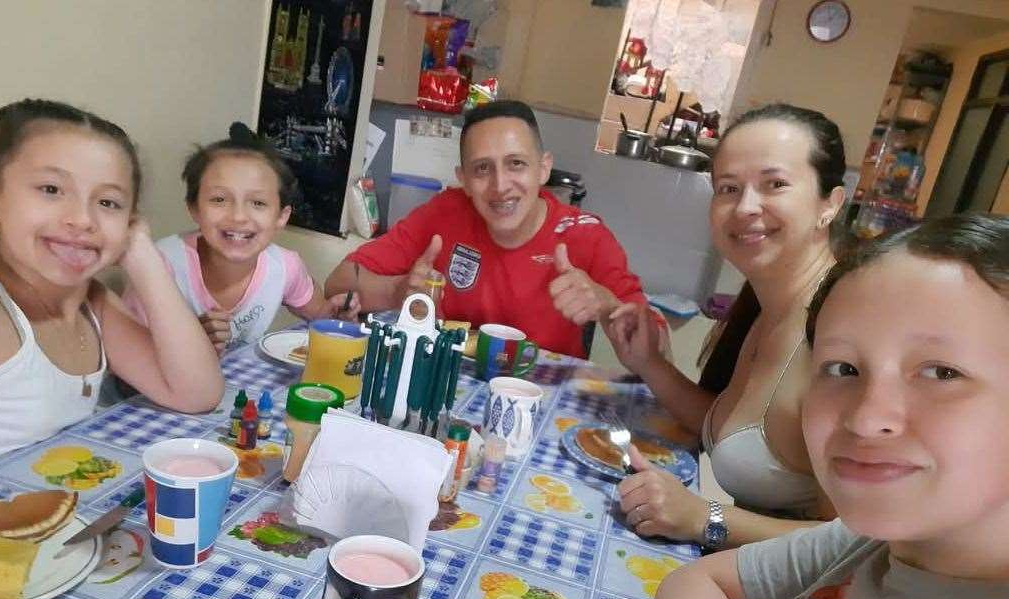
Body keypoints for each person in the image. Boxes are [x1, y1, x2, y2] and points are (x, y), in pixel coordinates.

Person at [648, 212, 1009, 599]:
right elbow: (698, 588)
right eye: (842, 368)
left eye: (941, 372)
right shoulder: (879, 545)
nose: (866, 418)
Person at [608, 104, 847, 548]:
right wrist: (648, 363)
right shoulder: (767, 301)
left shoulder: (842, 337)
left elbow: (857, 543)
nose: (745, 208)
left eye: (774, 184)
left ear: (829, 204)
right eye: (728, 188)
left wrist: (706, 518)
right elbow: (728, 426)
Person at [0, 99, 224, 478]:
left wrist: (143, 259)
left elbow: (197, 394)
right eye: (51, 189)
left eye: (108, 202)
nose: (82, 219)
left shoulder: (91, 305)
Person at [324, 100, 667, 359]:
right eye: (482, 169)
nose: (501, 185)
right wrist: (398, 291)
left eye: (516, 164)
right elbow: (336, 284)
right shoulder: (445, 213)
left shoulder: (585, 235)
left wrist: (607, 306)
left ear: (543, 168)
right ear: (463, 180)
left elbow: (660, 353)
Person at [124, 123, 359, 354]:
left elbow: (320, 314)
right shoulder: (159, 267)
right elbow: (125, 361)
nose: (238, 217)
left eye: (258, 203)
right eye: (219, 199)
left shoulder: (285, 267)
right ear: (194, 208)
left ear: (281, 216)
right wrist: (189, 344)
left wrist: (339, 315)